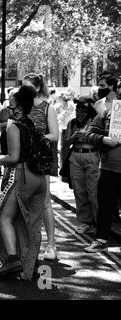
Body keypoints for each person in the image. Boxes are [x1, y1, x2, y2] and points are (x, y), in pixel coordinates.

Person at [0, 85, 47, 281]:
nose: (9, 104)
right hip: (39, 177)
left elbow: (14, 157)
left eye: (11, 101)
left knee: (4, 219)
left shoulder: (13, 125)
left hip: (22, 175)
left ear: (16, 105)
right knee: (30, 224)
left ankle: (12, 261)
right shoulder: (32, 123)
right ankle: (31, 264)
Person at [23, 73, 60, 261]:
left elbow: (55, 135)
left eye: (27, 86)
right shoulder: (21, 107)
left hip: (39, 161)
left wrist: (37, 138)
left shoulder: (48, 108)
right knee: (25, 203)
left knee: (44, 202)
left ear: (37, 88)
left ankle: (52, 245)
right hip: (22, 160)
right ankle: (30, 244)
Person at [82, 80, 121, 252]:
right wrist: (104, 139)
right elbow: (88, 134)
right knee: (104, 207)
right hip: (108, 169)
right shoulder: (108, 113)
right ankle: (101, 239)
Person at [62, 96, 99, 235]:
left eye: (82, 108)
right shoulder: (72, 123)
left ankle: (97, 222)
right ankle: (86, 222)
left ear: (89, 109)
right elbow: (65, 142)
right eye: (78, 108)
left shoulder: (95, 121)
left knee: (93, 191)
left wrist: (87, 136)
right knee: (79, 191)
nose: (79, 111)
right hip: (76, 156)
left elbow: (100, 140)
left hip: (91, 155)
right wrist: (74, 138)